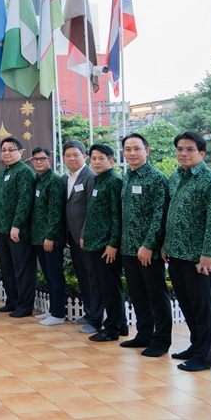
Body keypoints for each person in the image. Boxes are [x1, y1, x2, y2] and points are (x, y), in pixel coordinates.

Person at [163, 131, 211, 372]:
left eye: (190, 149)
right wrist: (166, 245)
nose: (183, 153)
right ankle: (195, 346)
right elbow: (172, 215)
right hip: (176, 253)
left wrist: (207, 254)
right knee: (187, 304)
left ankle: (204, 357)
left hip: (198, 257)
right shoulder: (177, 177)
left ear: (202, 153)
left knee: (201, 308)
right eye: (180, 149)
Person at [119, 132, 171, 357]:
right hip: (128, 248)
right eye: (128, 149)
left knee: (156, 295)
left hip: (148, 250)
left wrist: (149, 245)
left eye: (137, 149)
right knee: (138, 294)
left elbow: (160, 215)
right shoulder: (127, 177)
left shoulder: (157, 179)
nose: (132, 153)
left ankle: (161, 340)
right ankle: (144, 334)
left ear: (146, 151)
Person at [82, 144, 127, 342]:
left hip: (106, 246)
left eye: (101, 158)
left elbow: (117, 216)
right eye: (93, 158)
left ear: (111, 161)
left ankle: (111, 329)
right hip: (95, 242)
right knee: (106, 286)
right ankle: (121, 324)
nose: (96, 162)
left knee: (110, 288)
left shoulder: (114, 181)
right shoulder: (98, 179)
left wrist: (113, 244)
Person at [0, 137, 36, 318]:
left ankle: (25, 306)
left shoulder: (25, 172)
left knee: (22, 269)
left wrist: (16, 225)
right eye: (3, 150)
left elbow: (25, 201)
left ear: (21, 151)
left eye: (11, 149)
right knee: (7, 268)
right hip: (1, 229)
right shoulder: (2, 173)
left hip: (17, 231)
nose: (7, 153)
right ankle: (12, 301)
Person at [62, 139, 99, 333]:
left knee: (93, 278)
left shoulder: (89, 176)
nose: (72, 159)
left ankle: (96, 318)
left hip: (87, 239)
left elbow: (92, 209)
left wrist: (85, 233)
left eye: (75, 155)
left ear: (84, 156)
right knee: (83, 277)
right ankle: (89, 312)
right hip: (73, 238)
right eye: (68, 155)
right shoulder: (65, 178)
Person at [29, 147, 67, 326]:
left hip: (51, 239)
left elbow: (55, 212)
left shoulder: (54, 180)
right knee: (48, 275)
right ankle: (52, 310)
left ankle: (59, 314)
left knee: (55, 275)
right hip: (38, 237)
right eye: (35, 159)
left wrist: (50, 236)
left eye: (42, 159)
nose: (38, 162)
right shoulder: (37, 180)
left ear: (49, 160)